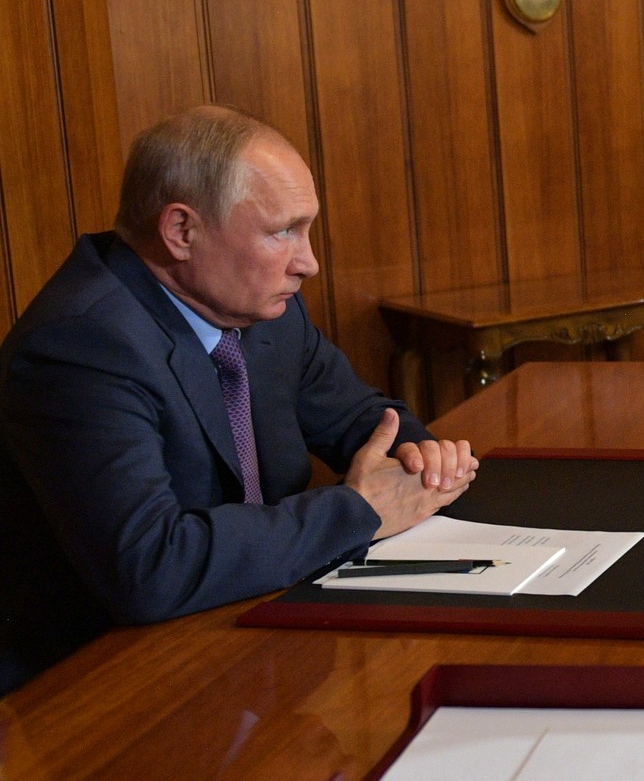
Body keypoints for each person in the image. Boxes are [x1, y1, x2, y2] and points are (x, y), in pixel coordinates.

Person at [0, 106, 476, 695]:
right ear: (181, 231)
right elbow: (150, 567)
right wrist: (360, 509)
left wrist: (420, 459)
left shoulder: (260, 308)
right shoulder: (82, 345)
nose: (309, 263)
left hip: (247, 636)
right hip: (102, 682)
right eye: (282, 231)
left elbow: (362, 420)